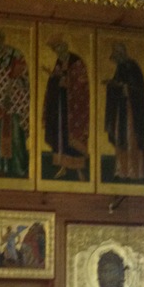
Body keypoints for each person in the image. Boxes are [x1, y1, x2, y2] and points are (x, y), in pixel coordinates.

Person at [0, 28, 30, 177]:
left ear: (2, 38)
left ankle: (19, 167)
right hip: (3, 101)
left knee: (16, 135)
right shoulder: (0, 55)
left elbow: (20, 73)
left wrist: (10, 89)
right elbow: (1, 74)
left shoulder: (14, 53)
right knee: (2, 134)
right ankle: (3, 166)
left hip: (15, 101)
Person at [42, 35, 90, 180]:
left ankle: (79, 170)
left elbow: (82, 83)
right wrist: (54, 78)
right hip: (61, 105)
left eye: (59, 48)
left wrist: (67, 82)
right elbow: (55, 81)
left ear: (64, 47)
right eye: (55, 50)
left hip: (74, 108)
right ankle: (63, 166)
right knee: (60, 136)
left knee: (74, 138)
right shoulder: (59, 62)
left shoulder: (76, 61)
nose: (58, 52)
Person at [103, 41, 144, 181]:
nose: (115, 59)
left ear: (121, 54)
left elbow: (138, 89)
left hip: (131, 111)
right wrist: (112, 85)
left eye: (116, 55)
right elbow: (118, 85)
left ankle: (134, 172)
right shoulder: (120, 67)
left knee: (131, 139)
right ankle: (121, 171)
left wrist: (122, 87)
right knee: (120, 139)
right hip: (121, 110)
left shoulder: (132, 67)